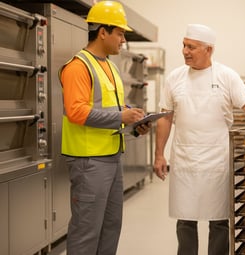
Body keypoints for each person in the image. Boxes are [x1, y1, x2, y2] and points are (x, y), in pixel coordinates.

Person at [153, 23, 245, 255]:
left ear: (209, 50)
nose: (185, 51)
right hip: (185, 159)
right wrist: (158, 154)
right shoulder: (175, 77)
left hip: (217, 159)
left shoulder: (226, 75)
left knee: (220, 220)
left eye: (192, 47)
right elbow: (165, 117)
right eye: (184, 45)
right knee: (185, 220)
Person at [58, 1, 150, 254]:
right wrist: (123, 116)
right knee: (86, 230)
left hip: (111, 157)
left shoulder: (110, 66)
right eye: (120, 33)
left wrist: (135, 122)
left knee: (111, 226)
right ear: (103, 32)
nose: (123, 40)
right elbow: (76, 111)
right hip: (89, 161)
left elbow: (111, 107)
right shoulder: (78, 66)